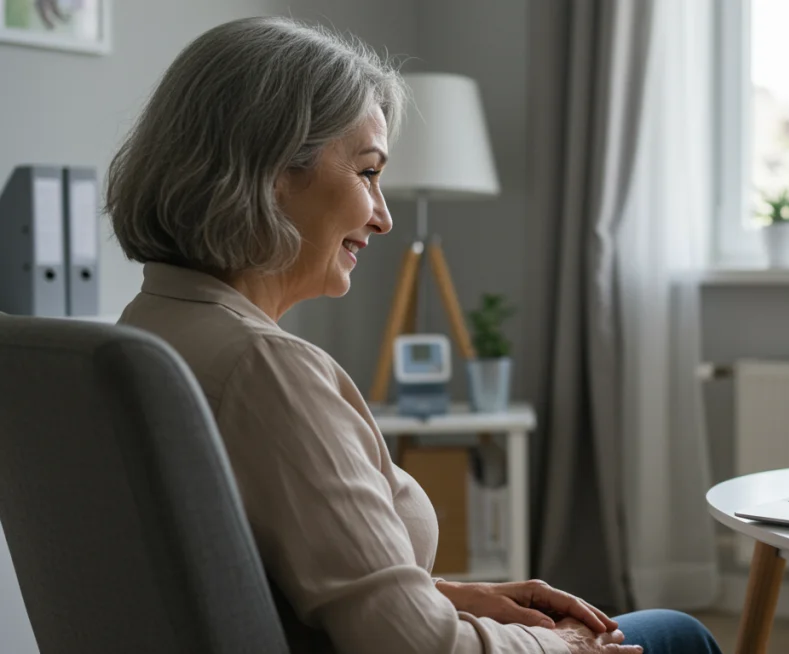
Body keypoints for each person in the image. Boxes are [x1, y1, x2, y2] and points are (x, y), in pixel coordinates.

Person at [107, 16, 722, 654]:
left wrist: (448, 596)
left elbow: (266, 582)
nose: (383, 216)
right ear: (271, 172)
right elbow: (413, 648)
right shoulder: (265, 369)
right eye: (368, 173)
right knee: (679, 635)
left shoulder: (146, 331)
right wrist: (569, 649)